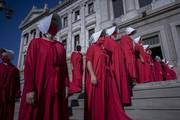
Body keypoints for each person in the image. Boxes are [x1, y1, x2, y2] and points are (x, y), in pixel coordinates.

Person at [18, 13, 69, 120]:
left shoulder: (60, 47)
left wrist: (66, 85)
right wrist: (30, 89)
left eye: (56, 24)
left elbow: (64, 69)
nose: (54, 26)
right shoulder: (35, 43)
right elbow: (29, 66)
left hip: (56, 87)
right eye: (52, 24)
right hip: (39, 86)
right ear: (46, 25)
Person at [84, 30, 131, 120]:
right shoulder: (92, 48)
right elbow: (88, 62)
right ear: (96, 38)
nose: (103, 37)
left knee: (107, 99)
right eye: (101, 36)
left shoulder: (104, 49)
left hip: (106, 78)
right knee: (98, 100)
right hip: (97, 77)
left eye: (103, 36)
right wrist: (92, 75)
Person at [105, 26, 131, 105]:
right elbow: (106, 54)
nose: (116, 34)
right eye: (114, 33)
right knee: (117, 81)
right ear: (111, 34)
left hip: (121, 65)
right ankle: (119, 99)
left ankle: (124, 99)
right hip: (114, 65)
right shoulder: (107, 41)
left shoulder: (114, 42)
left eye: (115, 33)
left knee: (122, 80)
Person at [0, 50, 21, 120]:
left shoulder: (15, 70)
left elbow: (17, 83)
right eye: (1, 56)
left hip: (9, 96)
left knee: (8, 114)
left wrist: (17, 94)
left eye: (4, 55)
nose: (2, 57)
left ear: (9, 57)